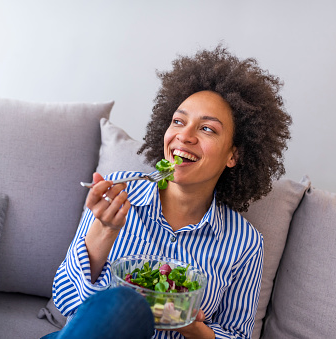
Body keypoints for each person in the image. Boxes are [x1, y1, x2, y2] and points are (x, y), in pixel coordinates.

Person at [44, 44, 292, 339]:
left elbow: (237, 334)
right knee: (125, 302)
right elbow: (66, 299)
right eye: (178, 121)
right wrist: (105, 230)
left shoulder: (245, 244)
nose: (184, 136)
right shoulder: (119, 191)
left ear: (233, 156)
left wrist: (192, 327)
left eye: (207, 129)